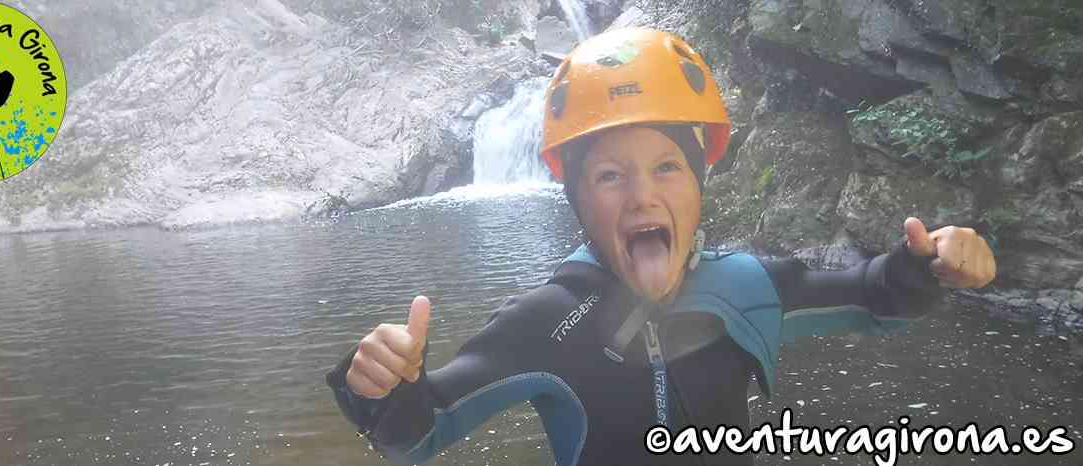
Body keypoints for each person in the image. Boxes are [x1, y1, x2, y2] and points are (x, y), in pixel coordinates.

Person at [325, 27, 997, 466]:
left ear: (700, 184)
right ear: (577, 201)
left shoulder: (751, 285)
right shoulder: (545, 323)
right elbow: (420, 432)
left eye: (667, 168)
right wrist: (384, 386)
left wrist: (928, 262)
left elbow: (876, 296)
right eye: (610, 176)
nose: (642, 196)